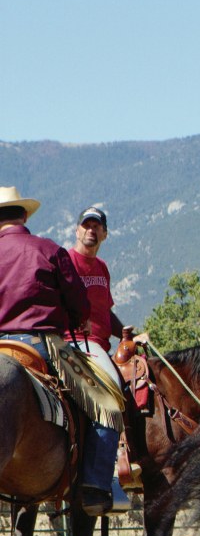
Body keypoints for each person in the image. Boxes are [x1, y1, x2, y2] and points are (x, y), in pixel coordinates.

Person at [0, 188, 116, 515]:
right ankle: (94, 486)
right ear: (24, 216)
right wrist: (78, 320)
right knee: (106, 403)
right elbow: (79, 307)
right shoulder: (49, 250)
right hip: (44, 344)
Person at [67, 205, 131, 513]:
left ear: (104, 234)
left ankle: (134, 461)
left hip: (102, 343)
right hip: (80, 344)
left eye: (97, 226)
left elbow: (105, 312)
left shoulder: (102, 268)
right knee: (111, 394)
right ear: (77, 230)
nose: (91, 230)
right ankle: (98, 481)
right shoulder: (68, 262)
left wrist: (126, 333)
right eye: (86, 225)